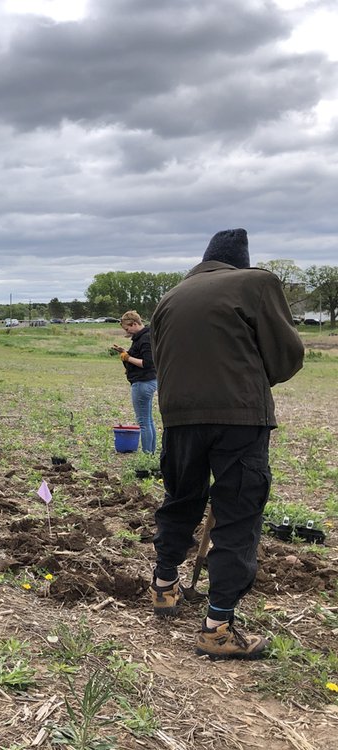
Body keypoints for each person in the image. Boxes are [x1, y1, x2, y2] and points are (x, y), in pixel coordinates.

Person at [149, 228, 304, 660]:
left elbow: (163, 360)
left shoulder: (170, 297)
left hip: (178, 414)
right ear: (241, 260)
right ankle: (217, 628)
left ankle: (163, 586)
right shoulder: (256, 282)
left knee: (181, 497)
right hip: (237, 416)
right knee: (238, 513)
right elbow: (285, 355)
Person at [111, 311, 158, 453]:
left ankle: (147, 454)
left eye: (127, 329)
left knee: (143, 422)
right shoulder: (144, 337)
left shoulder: (145, 339)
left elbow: (147, 363)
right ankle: (151, 452)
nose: (127, 332)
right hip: (147, 382)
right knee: (148, 420)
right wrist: (125, 352)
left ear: (134, 324)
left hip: (143, 383)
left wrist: (127, 358)